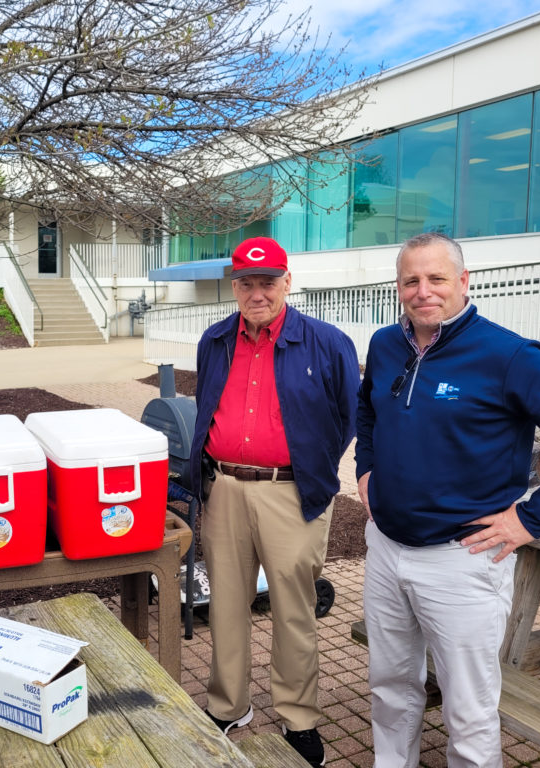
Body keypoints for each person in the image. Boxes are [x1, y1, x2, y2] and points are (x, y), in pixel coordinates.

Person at [356, 232, 540, 767]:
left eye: (436, 278)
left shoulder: (508, 356)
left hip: (463, 560)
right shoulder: (386, 344)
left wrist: (530, 520)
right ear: (399, 287)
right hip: (385, 549)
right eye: (411, 280)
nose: (423, 291)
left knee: (468, 710)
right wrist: (366, 469)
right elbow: (369, 409)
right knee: (390, 686)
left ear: (463, 282)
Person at [189, 236, 360, 767]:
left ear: (288, 282)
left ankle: (299, 718)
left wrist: (308, 466)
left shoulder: (327, 343)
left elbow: (350, 418)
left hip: (292, 494)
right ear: (234, 285)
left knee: (293, 612)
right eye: (246, 282)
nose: (257, 292)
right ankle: (228, 706)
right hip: (225, 491)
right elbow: (206, 408)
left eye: (268, 281)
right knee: (227, 605)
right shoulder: (215, 339)